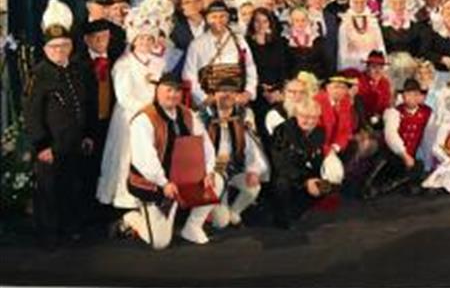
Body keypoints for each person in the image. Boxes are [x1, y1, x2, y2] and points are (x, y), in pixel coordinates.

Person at [124, 74, 222, 248]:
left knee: (217, 181)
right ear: (157, 91)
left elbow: (205, 144)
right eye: (168, 90)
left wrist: (208, 171)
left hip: (181, 181)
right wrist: (164, 183)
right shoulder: (144, 119)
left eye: (177, 91)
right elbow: (145, 160)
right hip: (153, 185)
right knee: (159, 243)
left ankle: (192, 227)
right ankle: (132, 218)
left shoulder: (188, 114)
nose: (173, 94)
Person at [25, 0, 90, 247]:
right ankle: (49, 235)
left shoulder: (77, 69)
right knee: (48, 192)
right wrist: (41, 145)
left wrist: (87, 135)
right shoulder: (39, 74)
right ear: (45, 49)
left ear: (71, 46)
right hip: (51, 147)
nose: (59, 51)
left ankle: (70, 229)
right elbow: (31, 114)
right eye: (54, 47)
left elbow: (84, 105)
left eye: (64, 46)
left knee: (72, 188)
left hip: (74, 143)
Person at [96, 0, 170, 209]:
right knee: (127, 154)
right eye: (141, 38)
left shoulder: (159, 63)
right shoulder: (124, 64)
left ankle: (150, 192)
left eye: (149, 38)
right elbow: (124, 96)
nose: (145, 42)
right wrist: (148, 110)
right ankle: (124, 196)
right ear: (133, 40)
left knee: (151, 153)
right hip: (131, 117)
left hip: (154, 116)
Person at [202, 77, 268, 228]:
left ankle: (235, 211)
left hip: (234, 167)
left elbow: (252, 144)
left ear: (237, 95)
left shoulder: (244, 114)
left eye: (232, 92)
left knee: (253, 187)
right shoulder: (203, 115)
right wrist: (206, 172)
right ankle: (214, 210)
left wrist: (253, 170)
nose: (227, 95)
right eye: (222, 91)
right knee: (220, 223)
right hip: (212, 171)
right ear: (214, 94)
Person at [182, 0, 257, 107]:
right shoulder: (196, 44)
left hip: (236, 100)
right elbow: (189, 75)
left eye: (222, 16)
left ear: (228, 18)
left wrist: (248, 93)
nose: (218, 20)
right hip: (209, 102)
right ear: (207, 19)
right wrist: (203, 98)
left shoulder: (239, 40)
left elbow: (250, 67)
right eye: (214, 16)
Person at [268, 99, 331, 228]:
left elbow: (317, 161)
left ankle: (297, 212)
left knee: (324, 186)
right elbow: (281, 164)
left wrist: (318, 178)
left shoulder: (320, 132)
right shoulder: (283, 130)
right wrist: (306, 181)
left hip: (304, 172)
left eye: (314, 117)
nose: (310, 121)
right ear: (296, 115)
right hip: (284, 173)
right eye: (305, 116)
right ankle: (281, 219)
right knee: (282, 184)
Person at [74, 18, 115, 206]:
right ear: (86, 40)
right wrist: (84, 131)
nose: (100, 41)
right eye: (95, 37)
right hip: (89, 124)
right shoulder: (77, 64)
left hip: (111, 122)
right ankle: (88, 208)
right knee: (89, 169)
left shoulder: (117, 59)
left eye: (104, 37)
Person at [368, 78, 432, 198]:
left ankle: (393, 185)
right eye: (408, 94)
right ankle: (374, 185)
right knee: (382, 161)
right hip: (394, 155)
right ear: (403, 96)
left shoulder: (427, 112)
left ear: (420, 96)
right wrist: (404, 155)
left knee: (418, 167)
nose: (412, 98)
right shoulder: (394, 112)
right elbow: (391, 135)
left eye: (415, 94)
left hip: (412, 157)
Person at [337, 0, 386, 69]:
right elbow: (342, 50)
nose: (359, 5)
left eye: (362, 2)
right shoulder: (345, 22)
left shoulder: (372, 20)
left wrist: (383, 64)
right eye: (356, 2)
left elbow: (380, 44)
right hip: (352, 65)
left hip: (373, 65)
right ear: (351, 2)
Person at [316, 70, 364, 157]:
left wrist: (336, 146)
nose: (339, 91)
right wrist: (328, 150)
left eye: (343, 87)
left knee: (354, 145)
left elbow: (346, 130)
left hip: (336, 146)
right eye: (336, 87)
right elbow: (316, 133)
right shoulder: (317, 102)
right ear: (327, 87)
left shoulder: (345, 102)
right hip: (319, 147)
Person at [285, 7, 329, 80]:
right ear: (291, 22)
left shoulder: (316, 38)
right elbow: (285, 63)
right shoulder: (286, 39)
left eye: (303, 20)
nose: (300, 23)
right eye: (296, 20)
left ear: (308, 21)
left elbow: (324, 61)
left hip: (315, 78)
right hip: (294, 79)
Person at [357, 51, 392, 130]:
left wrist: (379, 116)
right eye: (374, 67)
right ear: (367, 68)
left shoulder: (385, 83)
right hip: (361, 120)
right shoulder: (360, 80)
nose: (378, 71)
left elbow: (386, 104)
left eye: (381, 68)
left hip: (378, 119)